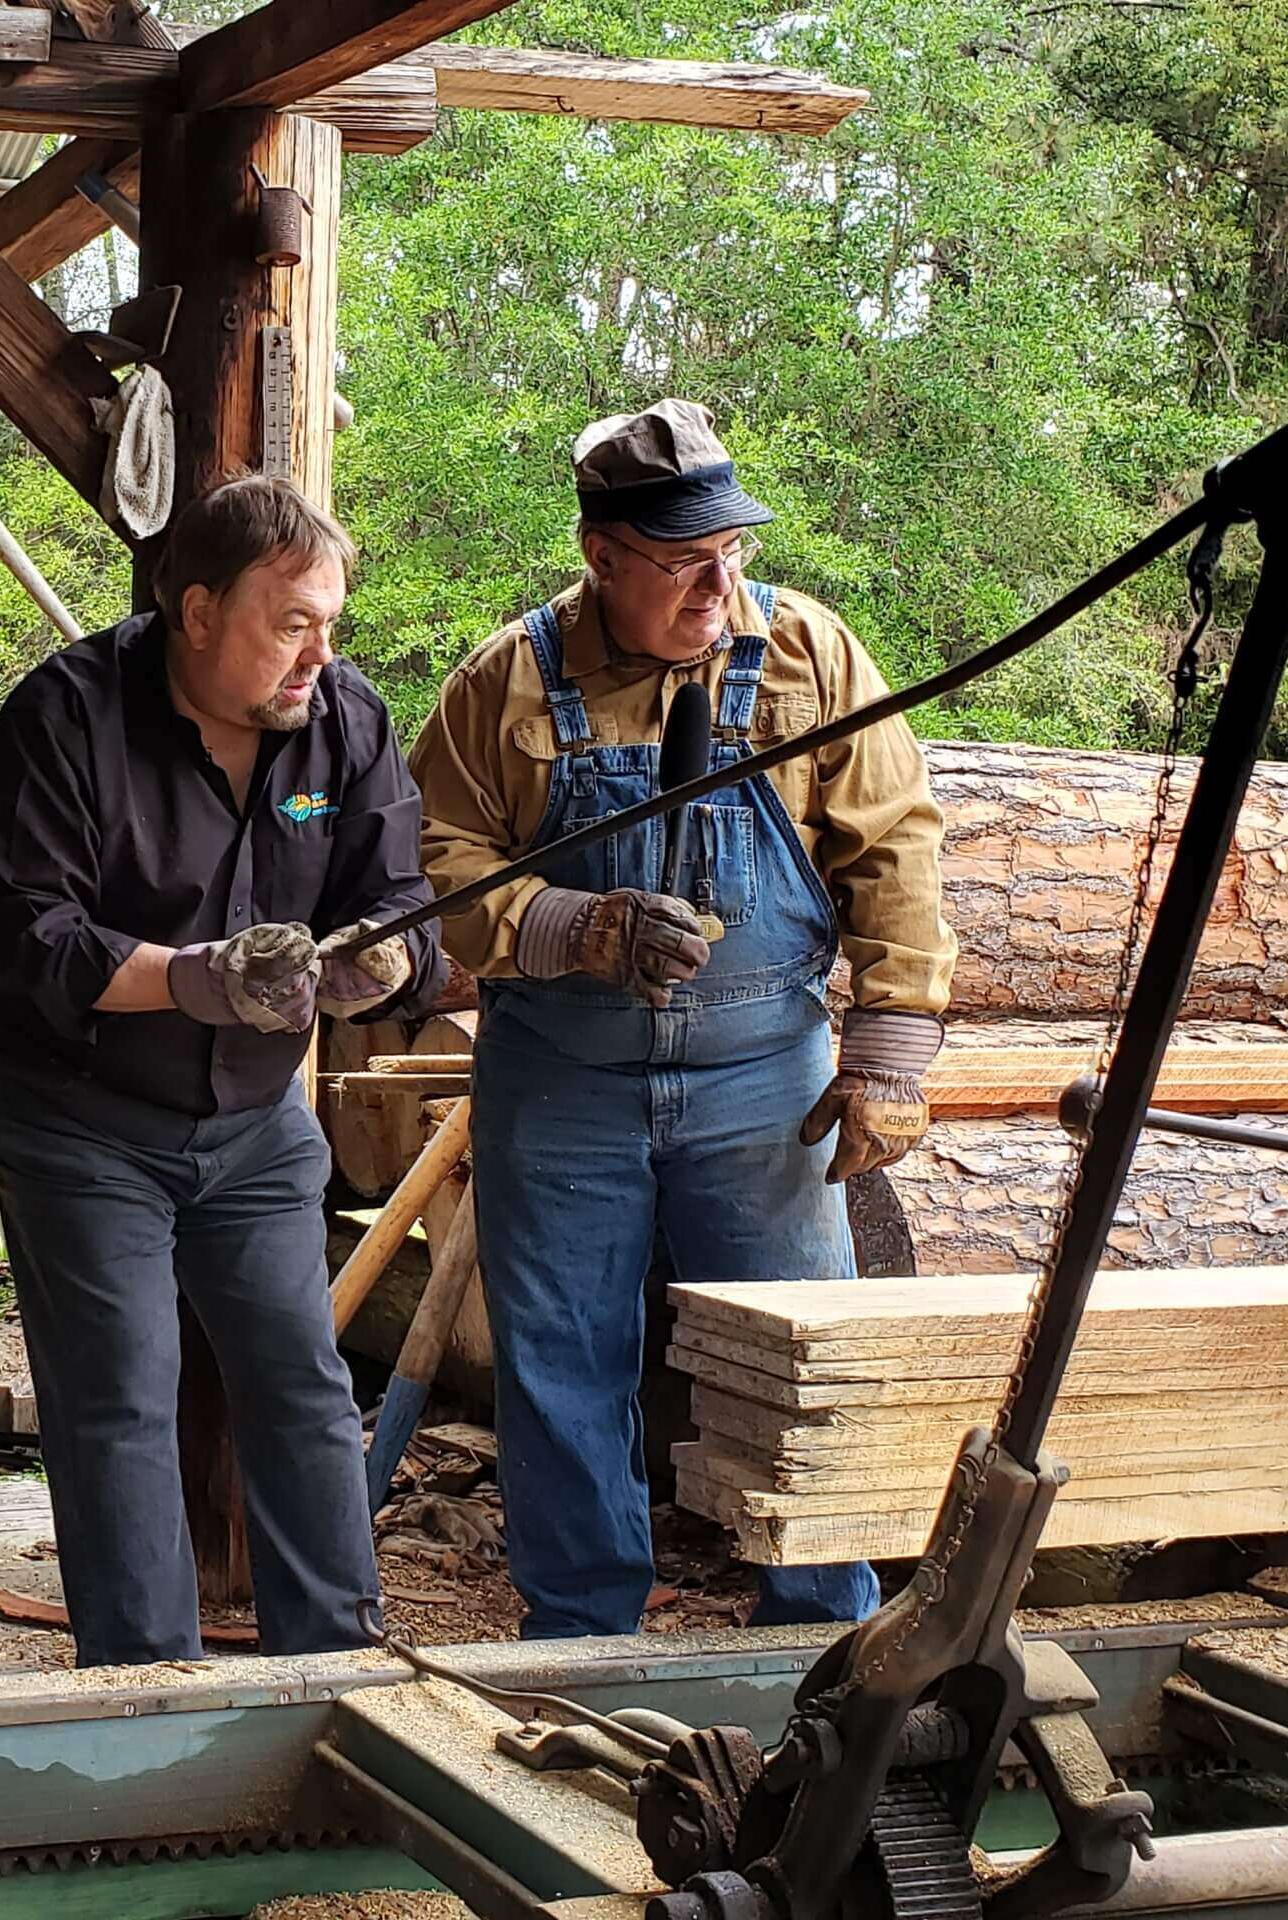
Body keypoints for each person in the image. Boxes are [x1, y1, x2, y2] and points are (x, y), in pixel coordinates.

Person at [407, 399, 956, 1638]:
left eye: (731, 552)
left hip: (766, 1080)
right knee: (559, 1371)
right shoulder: (505, 682)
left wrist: (888, 1054)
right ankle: (583, 1638)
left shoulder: (808, 657)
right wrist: (576, 930)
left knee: (803, 1359)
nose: (718, 582)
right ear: (600, 557)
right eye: (680, 561)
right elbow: (432, 865)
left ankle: (821, 1633)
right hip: (562, 1080)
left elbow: (897, 848)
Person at [0, 474, 445, 1667]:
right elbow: (27, 937)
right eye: (291, 624)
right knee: (121, 1393)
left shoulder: (344, 721)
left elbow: (399, 903)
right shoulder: (65, 717)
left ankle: (338, 1676)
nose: (318, 654)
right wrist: (192, 976)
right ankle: (145, 1697)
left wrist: (378, 970)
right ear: (198, 611)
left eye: (331, 624)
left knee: (300, 1381)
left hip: (251, 1118)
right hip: (74, 1111)